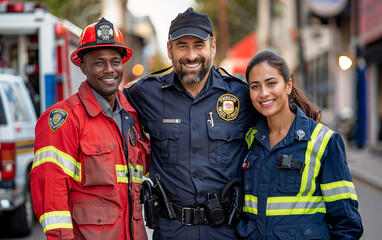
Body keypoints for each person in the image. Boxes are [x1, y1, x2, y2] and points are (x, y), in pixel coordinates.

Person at [123, 7, 257, 240]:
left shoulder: (241, 96)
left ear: (212, 47)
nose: (191, 55)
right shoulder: (145, 93)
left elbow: (280, 122)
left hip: (226, 232)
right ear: (169, 50)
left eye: (199, 45)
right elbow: (107, 112)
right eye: (182, 46)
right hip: (171, 231)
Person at [30, 17, 150, 240]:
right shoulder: (65, 119)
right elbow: (51, 195)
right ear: (83, 67)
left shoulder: (132, 117)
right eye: (98, 63)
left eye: (115, 62)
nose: (109, 70)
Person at [237, 50, 363, 239]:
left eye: (271, 83)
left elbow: (347, 224)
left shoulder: (324, 141)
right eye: (255, 86)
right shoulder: (249, 139)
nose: (264, 93)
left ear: (288, 86)